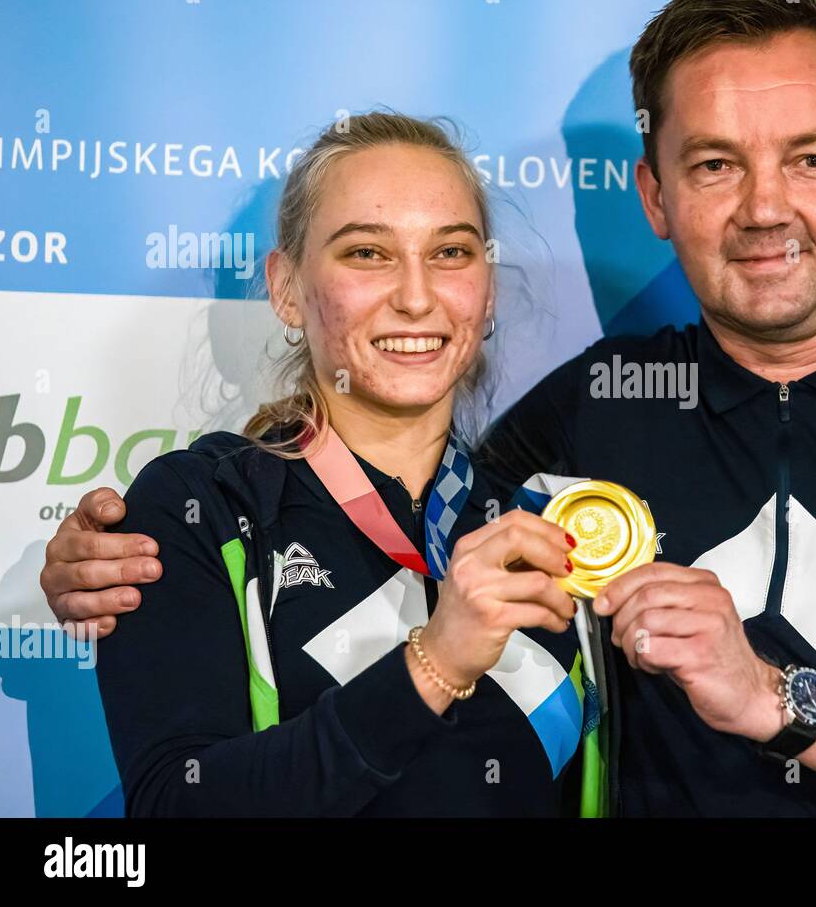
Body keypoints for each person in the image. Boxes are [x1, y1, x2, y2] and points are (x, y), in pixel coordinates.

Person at [43, 0, 816, 817]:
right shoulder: (584, 419)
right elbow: (376, 477)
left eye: (806, 158)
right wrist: (127, 550)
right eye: (712, 164)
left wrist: (770, 698)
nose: (761, 207)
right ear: (653, 194)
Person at [60, 111, 590, 816]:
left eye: (451, 253)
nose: (416, 296)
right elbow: (172, 806)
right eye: (367, 253)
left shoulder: (548, 530)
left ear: (486, 290)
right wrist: (431, 665)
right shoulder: (200, 504)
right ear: (285, 289)